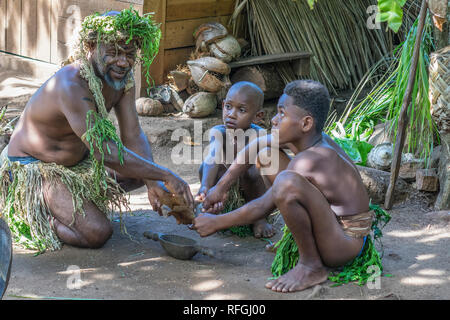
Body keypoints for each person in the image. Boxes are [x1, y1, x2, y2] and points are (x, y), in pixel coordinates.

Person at [0, 8, 194, 252]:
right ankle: (30, 212)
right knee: (97, 232)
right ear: (90, 46)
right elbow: (104, 152)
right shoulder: (71, 84)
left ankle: (71, 203)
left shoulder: (121, 79)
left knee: (142, 171)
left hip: (74, 167)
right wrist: (165, 175)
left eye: (129, 54)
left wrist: (153, 183)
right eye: (112, 53)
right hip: (33, 168)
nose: (123, 62)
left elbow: (133, 135)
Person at [192, 80, 373, 293]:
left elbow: (264, 205)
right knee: (267, 154)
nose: (275, 120)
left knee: (286, 184)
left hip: (344, 244)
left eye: (282, 114)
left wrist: (216, 222)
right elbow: (257, 144)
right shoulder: (313, 138)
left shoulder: (314, 159)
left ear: (306, 124)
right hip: (331, 225)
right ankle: (305, 247)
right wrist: (221, 187)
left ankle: (311, 265)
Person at [196, 81, 274, 238]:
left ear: (258, 116)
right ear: (223, 104)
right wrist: (205, 186)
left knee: (252, 171)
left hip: (252, 191)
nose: (231, 114)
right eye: (228, 107)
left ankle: (258, 218)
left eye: (242, 110)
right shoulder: (218, 131)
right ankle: (206, 203)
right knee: (206, 165)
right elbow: (213, 155)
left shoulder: (259, 135)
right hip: (224, 193)